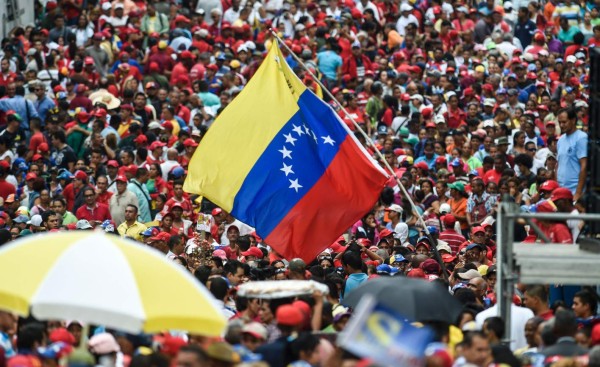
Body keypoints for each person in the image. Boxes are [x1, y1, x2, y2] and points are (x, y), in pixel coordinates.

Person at [556, 108, 587, 202]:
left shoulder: (581, 138)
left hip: (574, 192)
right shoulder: (561, 139)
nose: (561, 125)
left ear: (573, 120)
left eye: (564, 122)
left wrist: (578, 193)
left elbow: (584, 166)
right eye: (559, 122)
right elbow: (558, 164)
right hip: (562, 192)